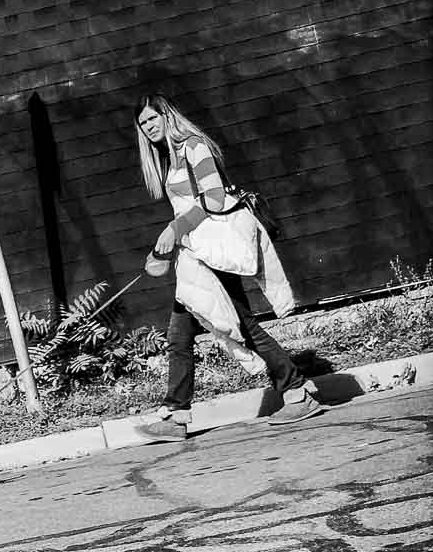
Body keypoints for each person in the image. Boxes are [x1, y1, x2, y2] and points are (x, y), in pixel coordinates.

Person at [133, 92, 323, 441]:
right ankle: (176, 416)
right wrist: (170, 245)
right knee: (180, 334)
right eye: (143, 123)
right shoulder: (169, 158)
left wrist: (175, 229)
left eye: (152, 118)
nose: (148, 127)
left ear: (167, 115)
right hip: (196, 254)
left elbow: (215, 197)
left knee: (242, 325)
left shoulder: (193, 146)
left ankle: (296, 391)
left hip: (213, 252)